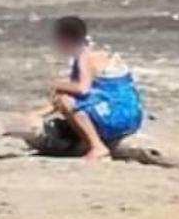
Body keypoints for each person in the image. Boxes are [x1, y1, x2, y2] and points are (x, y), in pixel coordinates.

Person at [46, 16, 145, 161]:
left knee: (65, 99)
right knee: (66, 95)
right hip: (132, 115)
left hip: (117, 117)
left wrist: (55, 85)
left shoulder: (84, 57)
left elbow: (82, 89)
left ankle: (97, 146)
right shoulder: (95, 51)